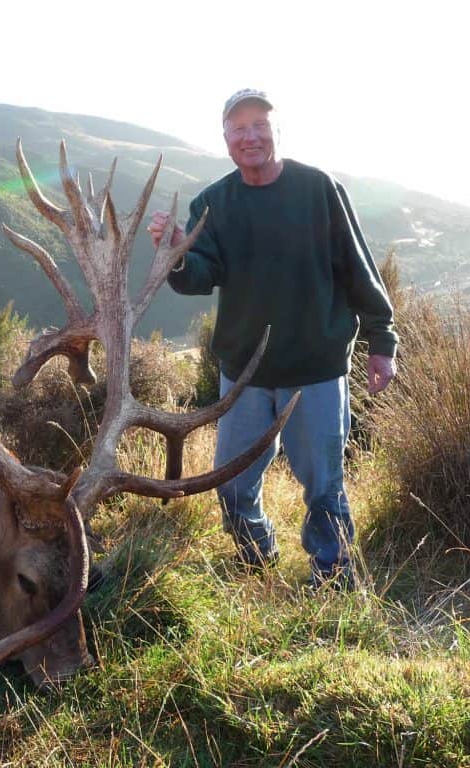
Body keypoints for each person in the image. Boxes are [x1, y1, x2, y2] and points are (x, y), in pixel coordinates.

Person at [148, 88, 398, 589]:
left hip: (315, 370)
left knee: (323, 486)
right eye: (238, 128)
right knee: (233, 485)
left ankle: (333, 577)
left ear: (276, 130)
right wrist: (178, 250)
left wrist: (381, 341)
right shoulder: (213, 204)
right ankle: (255, 556)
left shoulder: (319, 189)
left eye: (259, 124)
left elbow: (358, 268)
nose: (250, 136)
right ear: (225, 139)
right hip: (244, 373)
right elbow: (199, 276)